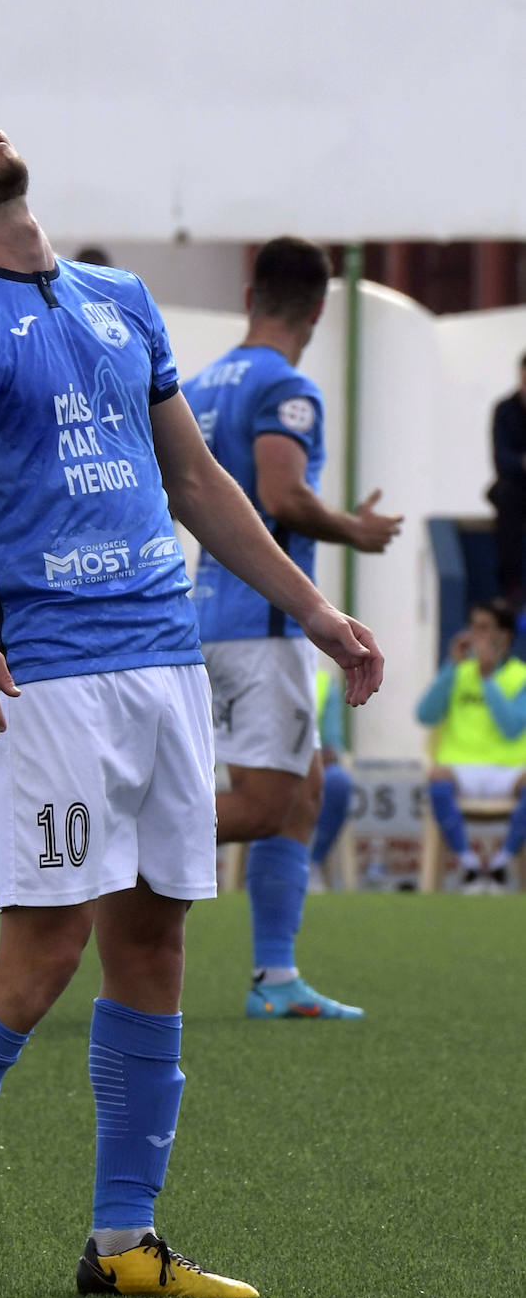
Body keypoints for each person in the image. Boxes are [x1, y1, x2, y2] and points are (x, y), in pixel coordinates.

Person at [0, 82, 383, 1298]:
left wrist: (315, 609)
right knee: (42, 955)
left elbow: (196, 482)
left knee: (155, 942)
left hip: (165, 664)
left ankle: (123, 1241)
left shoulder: (117, 300)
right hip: (49, 676)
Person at [182, 237, 402, 1020]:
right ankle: (113, 842)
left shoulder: (200, 384)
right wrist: (355, 530)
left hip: (205, 611)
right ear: (317, 308)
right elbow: (280, 495)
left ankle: (276, 979)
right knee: (270, 805)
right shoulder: (285, 385)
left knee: (308, 787)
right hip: (264, 622)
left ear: (250, 296)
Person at [416, 598, 526, 892]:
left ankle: (502, 863)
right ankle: (470, 866)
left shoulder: (521, 676)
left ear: (505, 635)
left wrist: (488, 679)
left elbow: (512, 727)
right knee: (436, 778)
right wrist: (451, 665)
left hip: (507, 770)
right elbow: (425, 714)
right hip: (460, 769)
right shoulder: (458, 672)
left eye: (484, 628)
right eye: (473, 627)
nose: (475, 635)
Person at [308, 666, 355, 890]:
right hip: (269, 766)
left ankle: (311, 862)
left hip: (311, 765)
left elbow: (331, 747)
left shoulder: (324, 683)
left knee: (338, 782)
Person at [486, 352, 526, 608]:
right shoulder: (505, 410)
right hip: (516, 487)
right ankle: (511, 584)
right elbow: (502, 459)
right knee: (508, 496)